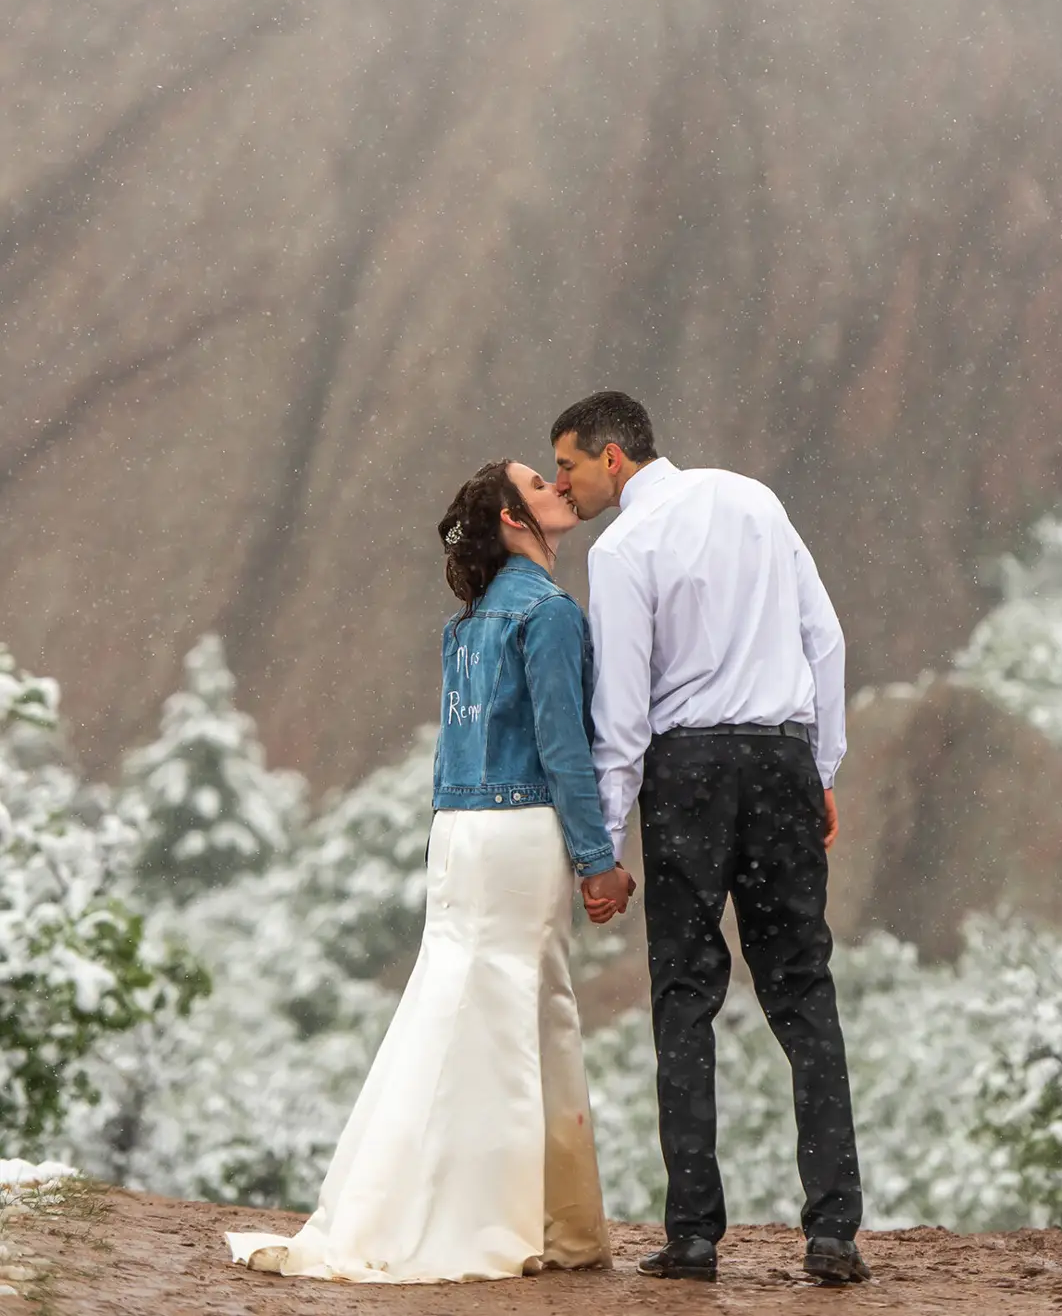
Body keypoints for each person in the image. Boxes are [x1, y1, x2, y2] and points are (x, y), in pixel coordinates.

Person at [228, 460, 615, 1282]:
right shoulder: (546, 615)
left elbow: (456, 747)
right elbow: (564, 749)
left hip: (457, 831)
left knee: (463, 1005)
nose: (556, 485)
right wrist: (598, 856)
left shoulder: (468, 626)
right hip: (517, 830)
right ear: (517, 520)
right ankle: (506, 1221)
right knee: (519, 1013)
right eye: (539, 482)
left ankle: (545, 1223)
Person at [548, 390, 868, 1287]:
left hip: (686, 774)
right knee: (803, 991)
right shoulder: (755, 500)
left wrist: (604, 850)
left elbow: (619, 714)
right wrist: (823, 767)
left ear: (613, 458)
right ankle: (833, 1232)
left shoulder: (622, 549)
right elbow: (825, 637)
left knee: (684, 1000)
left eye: (568, 464)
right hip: (779, 761)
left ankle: (693, 1235)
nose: (565, 484)